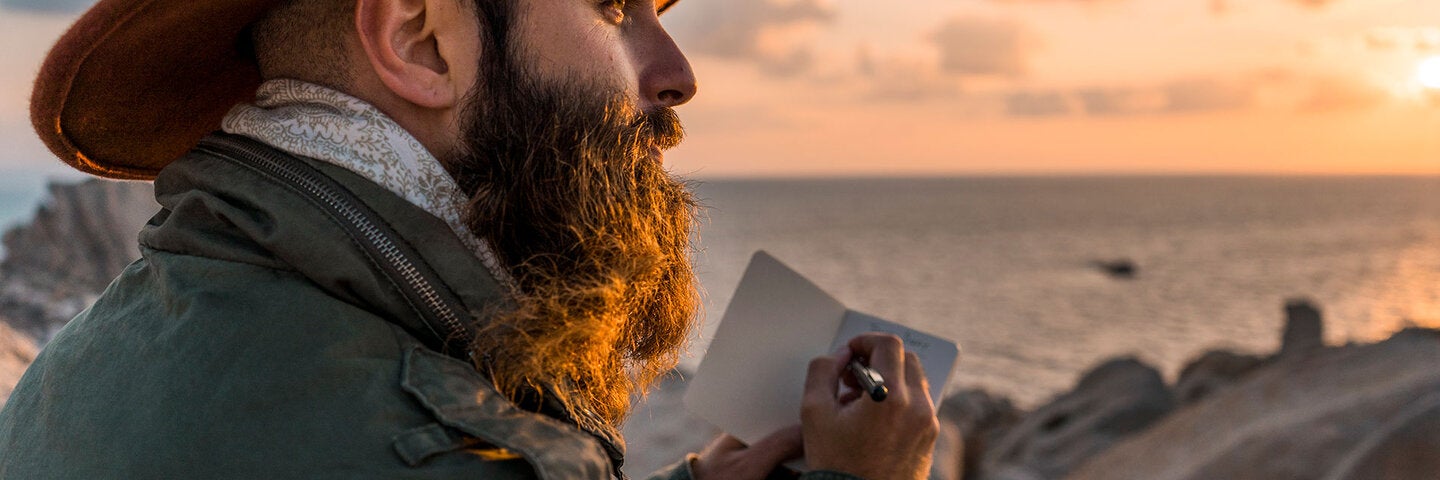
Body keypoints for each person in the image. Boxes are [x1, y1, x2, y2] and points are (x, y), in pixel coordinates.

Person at [0, 0, 940, 478]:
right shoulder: (427, 446)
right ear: (420, 40)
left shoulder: (99, 350)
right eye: (614, 10)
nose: (678, 74)